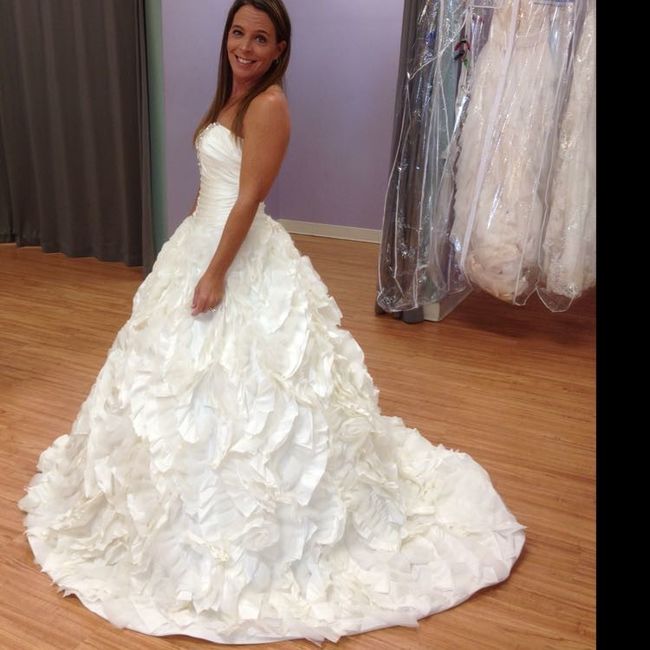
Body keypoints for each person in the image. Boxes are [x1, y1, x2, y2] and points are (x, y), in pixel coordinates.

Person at [18, 0, 525, 645]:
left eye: (261, 39)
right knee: (167, 384)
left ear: (281, 49)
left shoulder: (269, 106)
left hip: (234, 254)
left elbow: (249, 199)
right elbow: (211, 185)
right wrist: (187, 244)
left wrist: (215, 272)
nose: (246, 47)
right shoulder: (230, 100)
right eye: (238, 33)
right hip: (201, 242)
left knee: (251, 398)